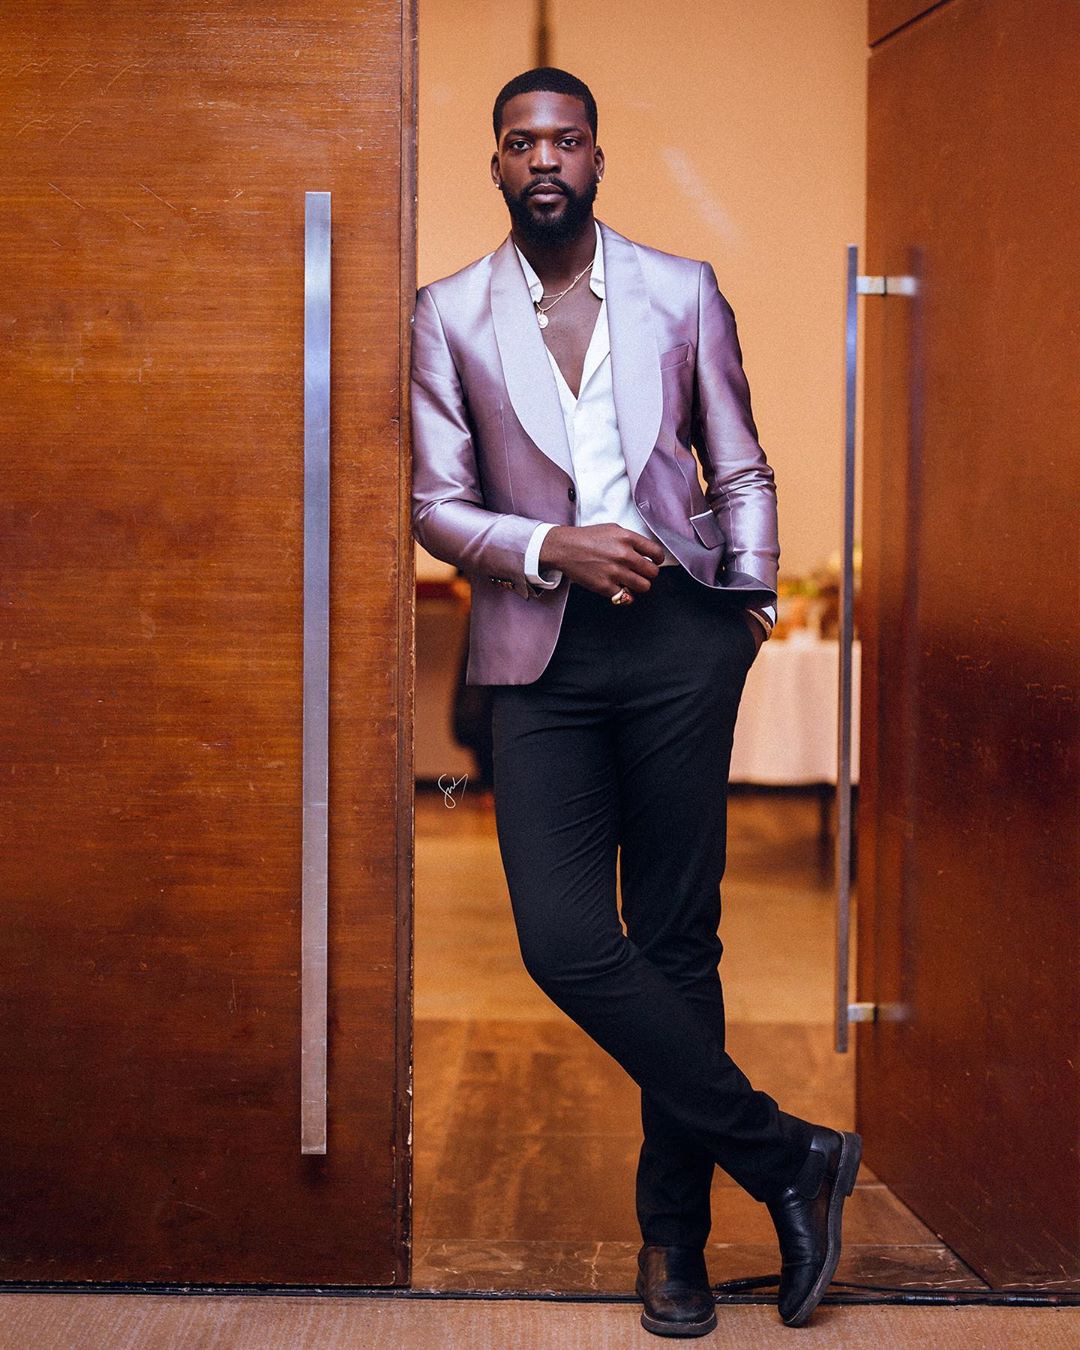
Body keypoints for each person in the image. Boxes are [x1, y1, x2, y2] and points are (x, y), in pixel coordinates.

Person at [410, 66, 861, 1336]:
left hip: (678, 644)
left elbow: (739, 461)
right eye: (520, 142)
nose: (543, 158)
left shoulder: (681, 290)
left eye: (565, 139)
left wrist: (748, 606)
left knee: (676, 938)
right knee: (564, 941)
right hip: (538, 654)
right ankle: (787, 1155)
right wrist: (551, 547)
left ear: (598, 156)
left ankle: (676, 1244)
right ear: (497, 165)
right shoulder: (448, 313)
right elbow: (435, 504)